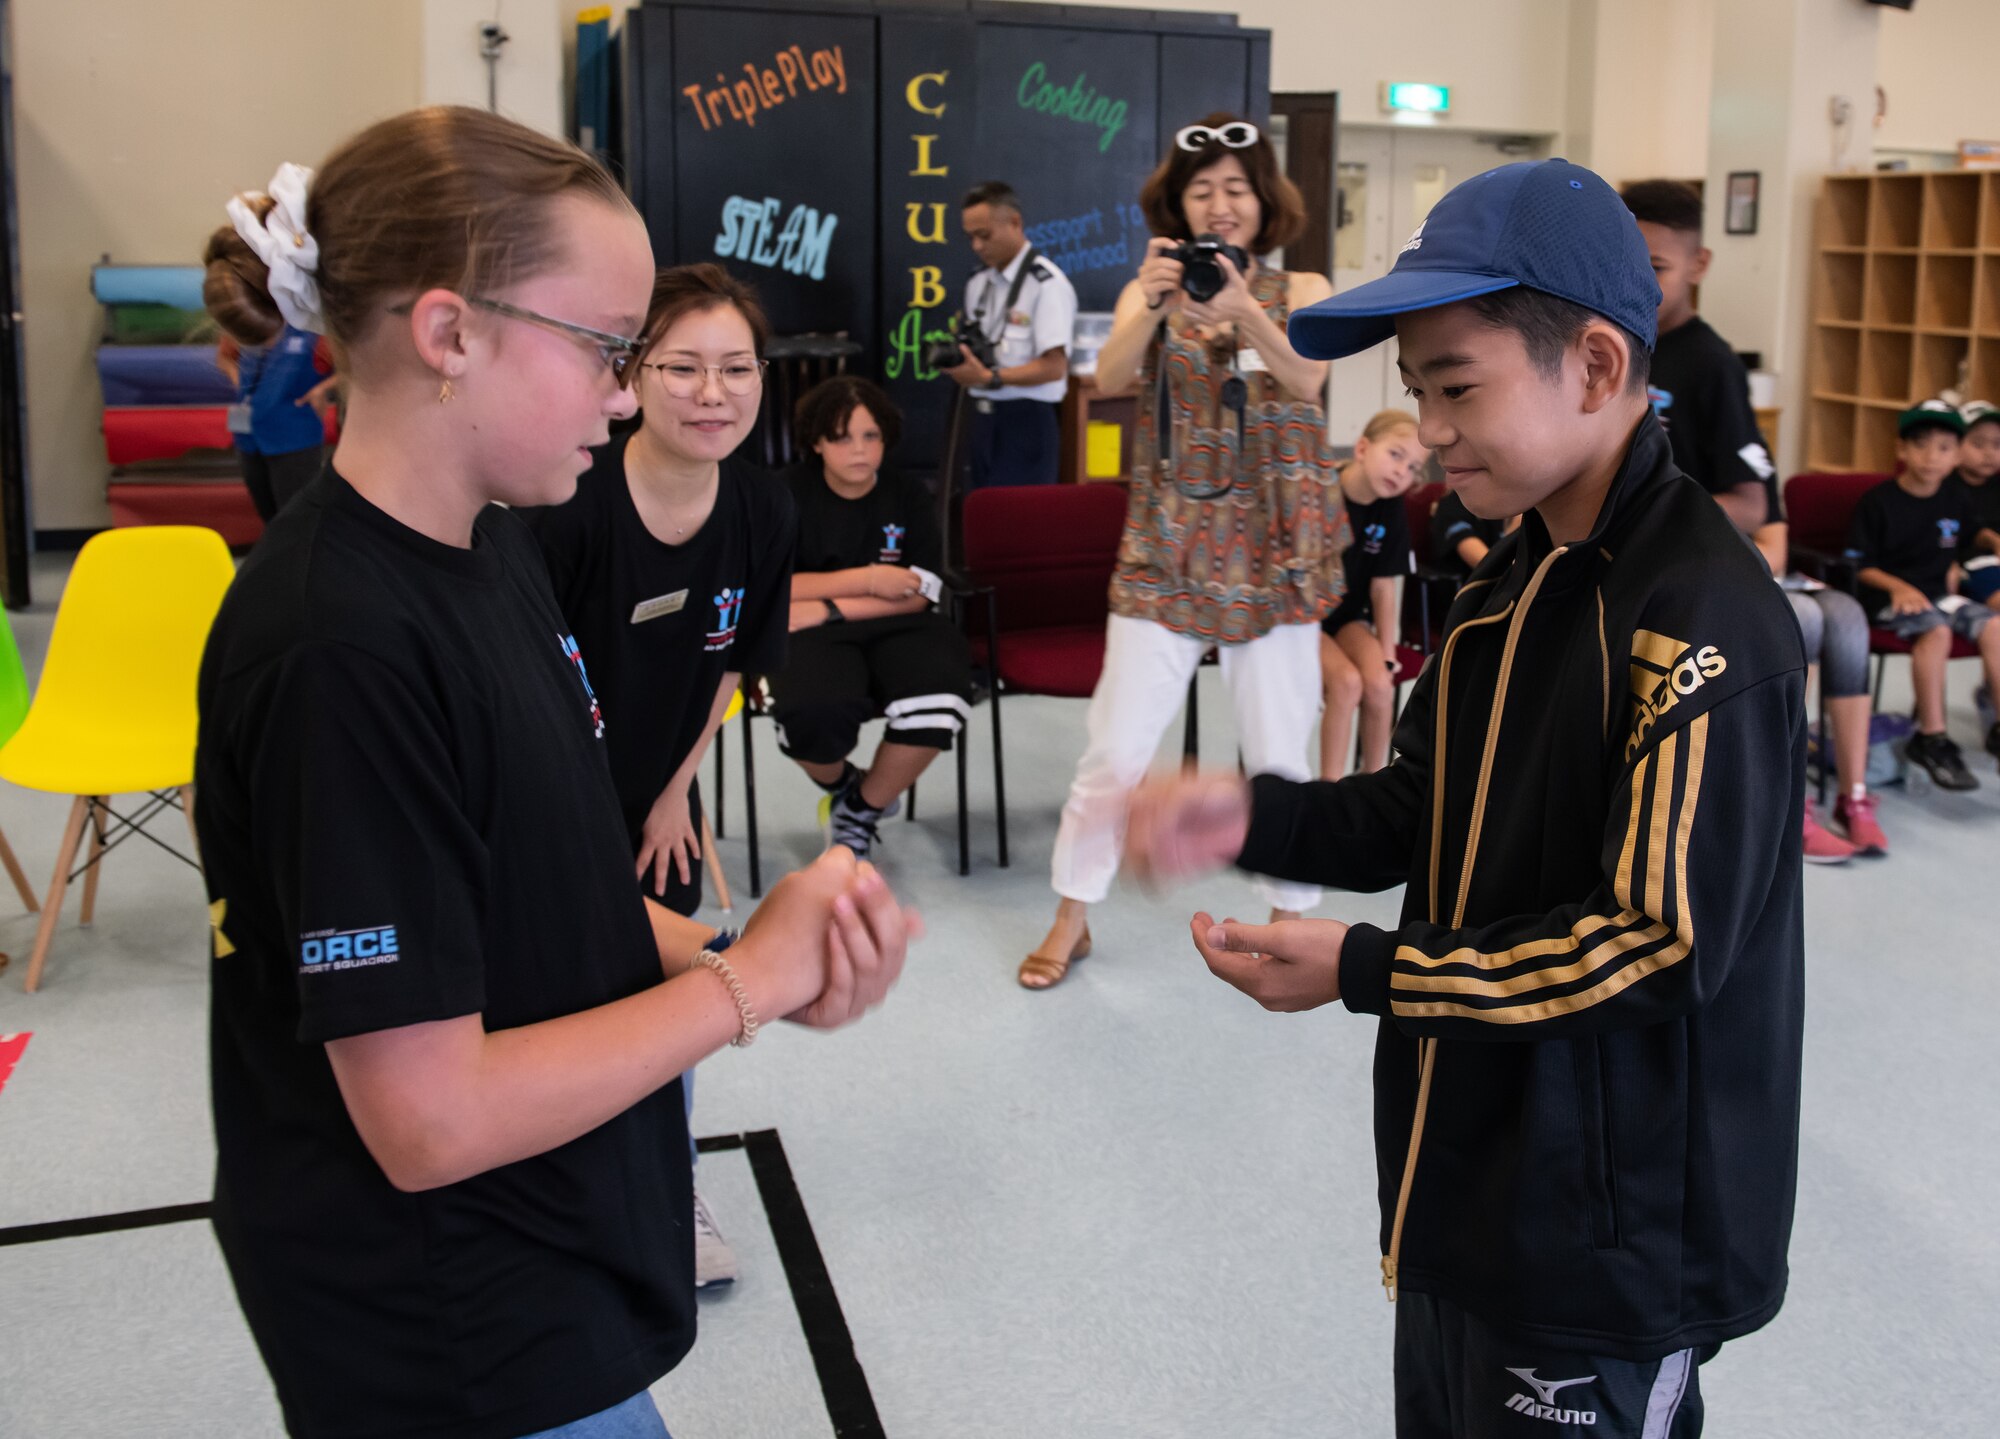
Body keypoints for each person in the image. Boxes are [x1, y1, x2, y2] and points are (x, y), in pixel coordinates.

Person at [193, 108, 910, 1439]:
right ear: (452, 334)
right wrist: (745, 988)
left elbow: (534, 881)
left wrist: (723, 951)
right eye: (605, 351)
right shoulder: (337, 644)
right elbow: (429, 1115)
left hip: (540, 1244)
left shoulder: (496, 547)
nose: (628, 395)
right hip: (440, 1313)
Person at [1125, 159, 1806, 1438]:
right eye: (1415, 391)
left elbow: (1649, 945)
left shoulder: (1701, 621)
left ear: (1595, 369)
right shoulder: (1503, 582)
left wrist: (1365, 967)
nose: (1426, 430)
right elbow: (1417, 807)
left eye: (1455, 388)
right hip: (1473, 1187)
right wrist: (1250, 816)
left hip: (1611, 1247)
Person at [1022, 113, 1344, 990]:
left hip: (1274, 545)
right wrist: (1159, 299)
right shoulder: (1150, 288)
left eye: (1236, 187)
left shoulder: (1304, 285)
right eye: (1202, 190)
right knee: (1115, 745)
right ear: (1178, 203)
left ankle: (1288, 915)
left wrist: (1244, 306)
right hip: (1169, 544)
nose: (1220, 203)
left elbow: (1309, 380)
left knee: (1281, 747)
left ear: (1264, 199)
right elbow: (1113, 379)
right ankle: (1071, 914)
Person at [523, 263, 798, 1291]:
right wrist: (573, 828)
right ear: (631, 374)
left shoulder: (763, 513)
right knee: (553, 998)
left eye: (734, 367)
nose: (711, 391)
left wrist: (674, 787)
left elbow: (726, 668)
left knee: (663, 996)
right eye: (682, 366)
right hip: (544, 802)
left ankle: (663, 1180)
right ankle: (555, 1193)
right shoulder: (568, 506)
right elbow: (516, 689)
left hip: (649, 808)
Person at [1624, 178, 1884, 857]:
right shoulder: (1611, 340)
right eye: (1628, 261)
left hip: (1693, 565)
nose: (1640, 282)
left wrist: (1648, 503)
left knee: (1836, 621)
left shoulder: (1709, 363)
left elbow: (1751, 502)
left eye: (1656, 268)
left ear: (1699, 264)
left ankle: (1839, 796)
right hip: (1633, 569)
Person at [769, 376, 975, 859]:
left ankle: (859, 811)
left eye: (871, 436)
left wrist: (828, 603)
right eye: (842, 437)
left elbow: (920, 592)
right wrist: (869, 578)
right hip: (812, 633)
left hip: (897, 624)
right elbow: (773, 588)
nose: (858, 450)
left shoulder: (907, 494)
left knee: (942, 697)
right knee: (811, 715)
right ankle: (848, 785)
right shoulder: (783, 494)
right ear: (817, 442)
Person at [1849, 400, 2000, 785]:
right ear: (1901, 450)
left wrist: (1990, 539)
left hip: (1939, 596)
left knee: (1995, 627)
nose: (1932, 456)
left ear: (1956, 455)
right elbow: (1861, 566)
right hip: (1890, 600)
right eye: (1921, 444)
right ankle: (1932, 736)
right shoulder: (1878, 501)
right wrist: (1898, 587)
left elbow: (1968, 534)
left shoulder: (1955, 498)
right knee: (1937, 632)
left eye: (1945, 447)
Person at [202, 174, 340, 522]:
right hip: (252, 430)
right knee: (270, 518)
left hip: (293, 431)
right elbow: (226, 356)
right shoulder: (243, 312)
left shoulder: (316, 321)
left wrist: (325, 390)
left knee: (295, 518)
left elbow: (355, 366)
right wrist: (238, 380)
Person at [941, 181, 1078, 488]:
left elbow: (1054, 367)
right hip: (981, 417)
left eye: (984, 235)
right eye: (971, 237)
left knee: (1023, 526)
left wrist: (992, 377)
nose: (976, 246)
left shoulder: (1046, 284)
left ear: (1015, 223)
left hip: (1027, 421)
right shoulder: (978, 281)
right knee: (980, 517)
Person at [1320, 409, 1425, 780]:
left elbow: (1383, 589)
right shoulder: (1321, 491)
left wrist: (1386, 652)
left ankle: (1373, 782)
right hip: (1306, 619)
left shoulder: (1390, 507)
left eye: (1413, 467)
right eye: (1396, 454)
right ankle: (1329, 788)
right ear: (1363, 448)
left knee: (1380, 684)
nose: (1402, 471)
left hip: (1348, 617)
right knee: (1347, 683)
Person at [1429, 489, 1517, 581]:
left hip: (1502, 583)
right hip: (1472, 586)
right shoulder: (1451, 507)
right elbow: (1490, 565)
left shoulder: (1500, 503)